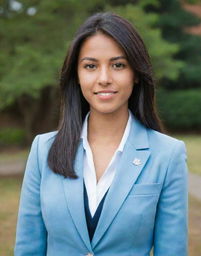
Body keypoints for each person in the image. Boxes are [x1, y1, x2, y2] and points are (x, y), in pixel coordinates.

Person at [15, 12, 188, 256]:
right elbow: (28, 248)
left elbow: (171, 250)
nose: (104, 78)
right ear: (77, 75)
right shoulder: (43, 149)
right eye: (90, 66)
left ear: (136, 73)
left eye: (118, 65)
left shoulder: (167, 154)